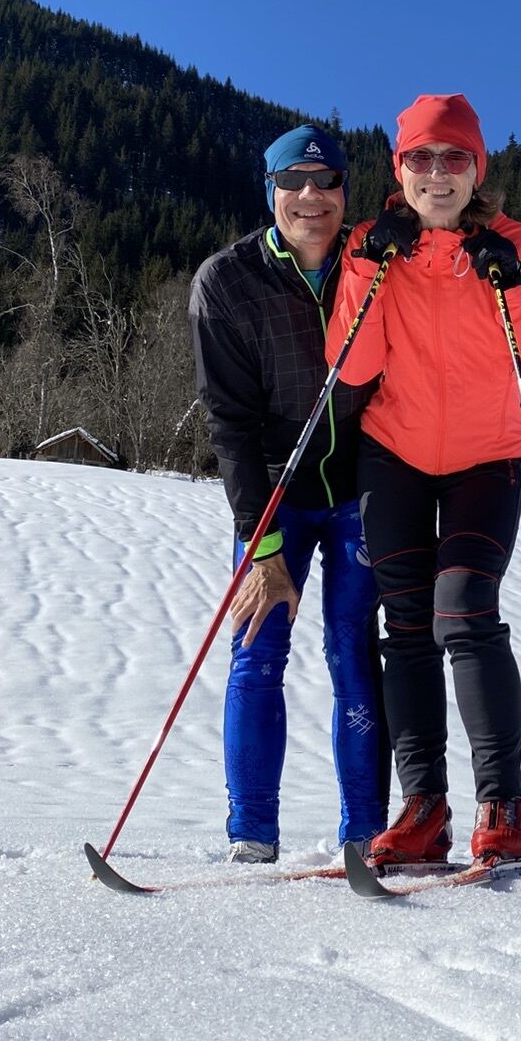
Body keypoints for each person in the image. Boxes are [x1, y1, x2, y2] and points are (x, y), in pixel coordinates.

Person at [325, 93, 521, 868]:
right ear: (399, 168)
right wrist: (368, 265)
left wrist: (516, 286)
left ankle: (502, 805)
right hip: (393, 454)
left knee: (464, 612)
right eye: (421, 158)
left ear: (477, 169)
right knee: (405, 628)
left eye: (454, 158)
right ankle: (423, 808)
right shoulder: (370, 242)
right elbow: (352, 366)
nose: (438, 174)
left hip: (486, 459)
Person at [189, 124, 390, 861]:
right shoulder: (226, 280)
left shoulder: (375, 263)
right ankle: (252, 833)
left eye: (327, 180)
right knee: (258, 647)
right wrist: (262, 542)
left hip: (360, 490)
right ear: (269, 190)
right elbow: (230, 424)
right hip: (273, 493)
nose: (311, 195)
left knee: (353, 654)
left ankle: (367, 833)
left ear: (345, 191)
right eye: (292, 182)